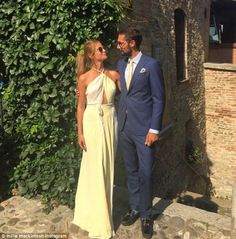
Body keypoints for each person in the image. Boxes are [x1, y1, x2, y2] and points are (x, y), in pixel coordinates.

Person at [116, 28, 165, 239]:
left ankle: (146, 214)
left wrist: (154, 129)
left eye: (120, 43)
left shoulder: (151, 65)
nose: (118, 47)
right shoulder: (120, 64)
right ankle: (135, 208)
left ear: (132, 43)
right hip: (125, 127)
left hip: (145, 130)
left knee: (145, 173)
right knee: (131, 171)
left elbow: (159, 98)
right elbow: (120, 89)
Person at [72, 39, 120, 239]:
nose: (104, 50)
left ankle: (103, 213)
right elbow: (80, 107)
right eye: (100, 49)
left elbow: (129, 96)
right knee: (95, 168)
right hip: (92, 123)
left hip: (111, 121)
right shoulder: (83, 78)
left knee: (108, 167)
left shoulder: (114, 74)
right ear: (92, 55)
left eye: (103, 47)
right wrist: (80, 133)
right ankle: (98, 221)